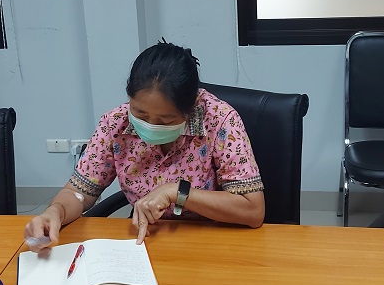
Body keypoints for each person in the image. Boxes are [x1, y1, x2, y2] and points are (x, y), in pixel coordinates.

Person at [24, 40, 265, 246]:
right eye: (140, 114)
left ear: (191, 107)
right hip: (146, 239)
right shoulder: (115, 124)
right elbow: (78, 192)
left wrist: (176, 192)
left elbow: (253, 210)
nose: (150, 126)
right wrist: (55, 211)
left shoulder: (219, 120)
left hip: (212, 239)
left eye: (165, 120)